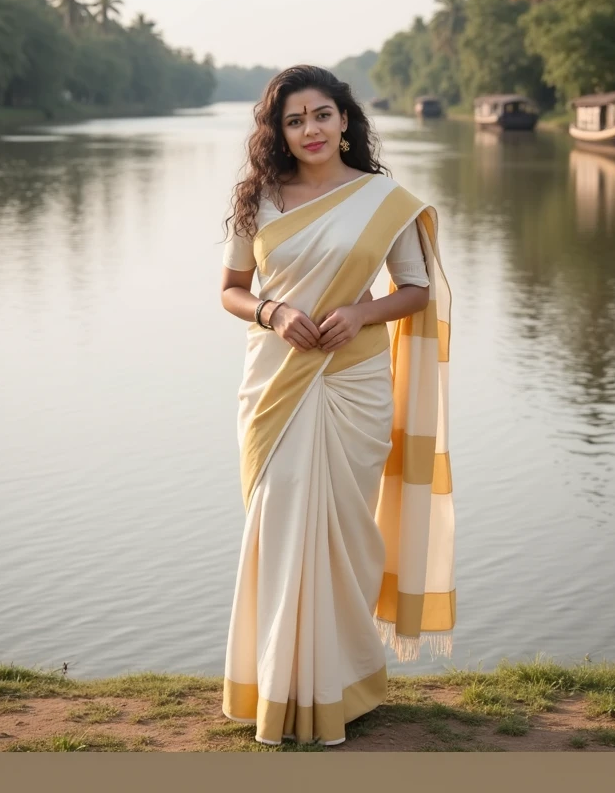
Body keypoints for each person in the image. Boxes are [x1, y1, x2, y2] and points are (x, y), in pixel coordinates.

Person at [220, 65, 455, 747]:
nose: (311, 130)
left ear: (345, 119)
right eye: (294, 121)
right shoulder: (259, 199)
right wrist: (271, 311)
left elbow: (415, 289)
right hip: (277, 383)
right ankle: (276, 688)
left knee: (347, 533)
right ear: (279, 132)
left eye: (321, 115)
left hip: (353, 384)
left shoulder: (384, 200)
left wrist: (360, 312)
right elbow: (232, 289)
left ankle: (341, 686)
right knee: (280, 523)